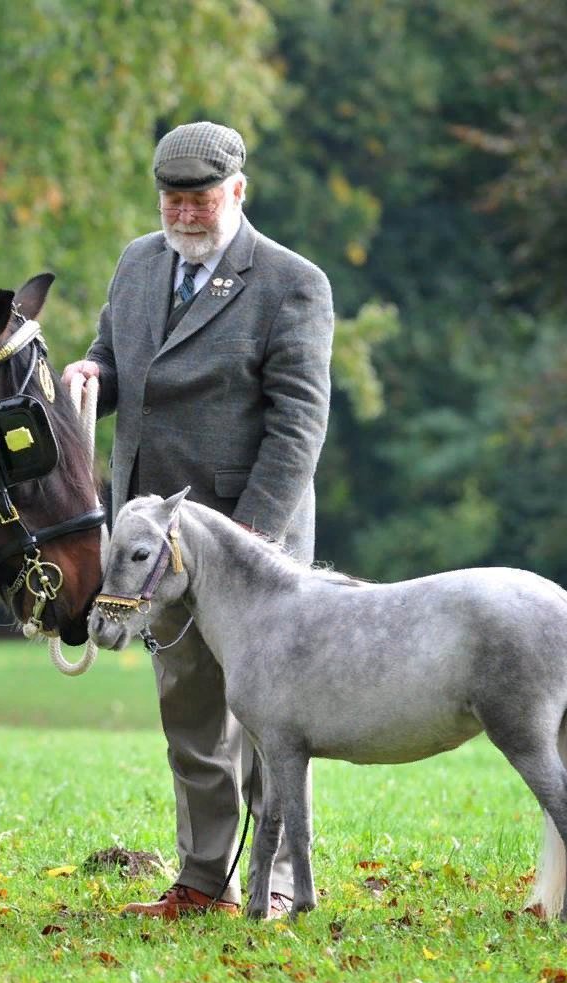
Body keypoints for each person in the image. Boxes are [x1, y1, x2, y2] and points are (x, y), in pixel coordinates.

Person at [64, 121, 334, 920]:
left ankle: (277, 879)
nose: (183, 214)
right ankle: (202, 878)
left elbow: (299, 425)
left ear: (238, 193)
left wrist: (253, 536)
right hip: (152, 550)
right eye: (172, 199)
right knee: (187, 711)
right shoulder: (137, 264)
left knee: (266, 722)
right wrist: (89, 378)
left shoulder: (292, 283)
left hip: (254, 545)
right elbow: (118, 369)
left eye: (200, 199)